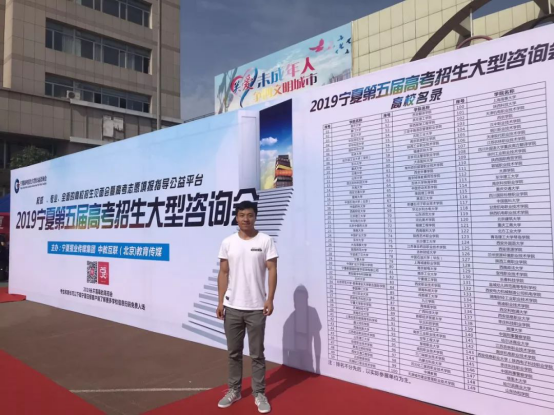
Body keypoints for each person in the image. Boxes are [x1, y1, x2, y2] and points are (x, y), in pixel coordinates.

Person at [216, 200, 278, 414]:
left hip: (256, 308)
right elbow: (223, 272)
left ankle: (259, 393)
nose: (246, 219)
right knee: (234, 353)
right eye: (242, 215)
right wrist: (220, 301)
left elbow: (272, 270)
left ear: (255, 217)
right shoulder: (228, 242)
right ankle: (234, 390)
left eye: (250, 215)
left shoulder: (266, 240)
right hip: (232, 307)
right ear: (236, 217)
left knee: (257, 354)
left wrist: (270, 299)